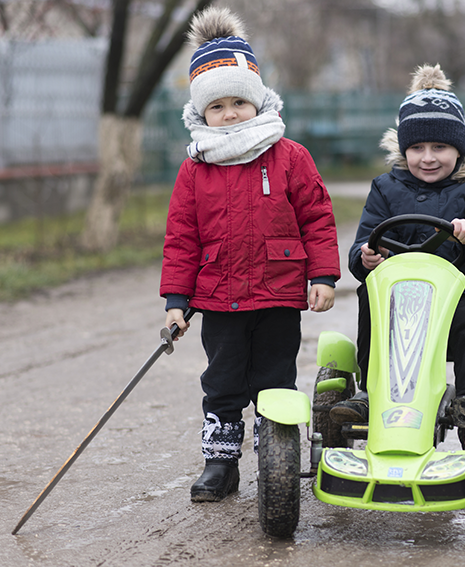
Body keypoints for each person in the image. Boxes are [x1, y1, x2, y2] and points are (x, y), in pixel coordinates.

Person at [160, 7, 340, 503]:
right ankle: (221, 463)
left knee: (274, 380)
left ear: (259, 102)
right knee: (221, 381)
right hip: (218, 298)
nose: (231, 113)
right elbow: (181, 238)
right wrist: (177, 298)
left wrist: (323, 274)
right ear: (202, 114)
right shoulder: (195, 170)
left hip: (278, 294)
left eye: (240, 101)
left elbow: (317, 218)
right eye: (217, 107)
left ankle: (275, 460)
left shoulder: (289, 156)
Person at [330, 64, 465, 452]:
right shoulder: (385, 188)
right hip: (403, 292)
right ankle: (372, 392)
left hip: (464, 286)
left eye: (439, 148)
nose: (427, 158)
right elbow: (366, 239)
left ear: (459, 148)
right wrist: (365, 257)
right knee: (373, 302)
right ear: (404, 150)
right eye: (416, 148)